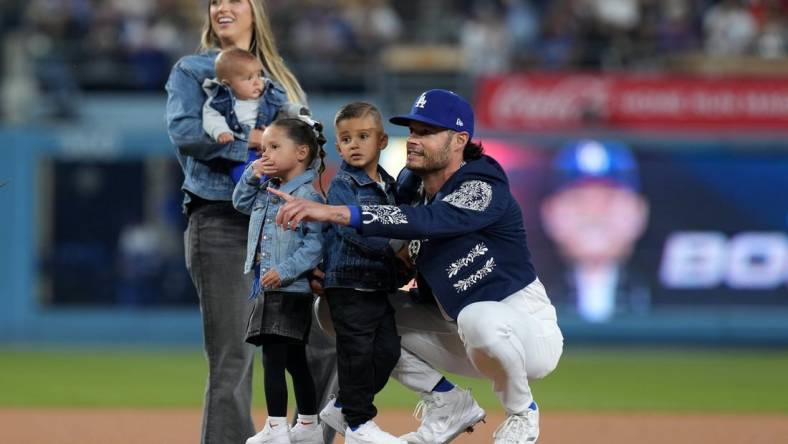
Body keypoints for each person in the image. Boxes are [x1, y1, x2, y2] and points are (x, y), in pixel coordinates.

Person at [270, 89, 564, 444]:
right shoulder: (410, 186)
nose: (412, 140)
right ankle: (445, 399)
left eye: (426, 132)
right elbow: (399, 252)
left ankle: (521, 413)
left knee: (479, 319)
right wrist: (333, 272)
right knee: (337, 308)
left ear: (459, 140)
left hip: (522, 328)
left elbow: (427, 221)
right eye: (411, 131)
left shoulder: (483, 183)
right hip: (453, 327)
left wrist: (334, 212)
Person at [164, 1, 336, 443]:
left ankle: (307, 436)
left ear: (253, 10)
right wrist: (253, 144)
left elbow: (308, 154)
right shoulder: (192, 71)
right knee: (233, 359)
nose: (222, 6)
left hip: (285, 223)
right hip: (220, 219)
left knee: (323, 341)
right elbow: (186, 134)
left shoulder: (281, 82)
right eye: (214, 1)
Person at [233, 117, 328, 444]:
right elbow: (239, 202)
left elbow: (314, 246)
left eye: (274, 147)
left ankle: (276, 427)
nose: (266, 154)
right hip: (271, 287)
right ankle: (308, 424)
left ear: (301, 152)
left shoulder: (308, 197)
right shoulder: (265, 187)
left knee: (272, 356)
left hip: (287, 289)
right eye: (262, 149)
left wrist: (285, 270)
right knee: (293, 359)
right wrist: (251, 173)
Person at [316, 102, 406, 444]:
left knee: (387, 352)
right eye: (346, 139)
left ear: (381, 141)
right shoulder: (343, 185)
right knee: (355, 352)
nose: (354, 144)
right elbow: (355, 231)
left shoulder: (391, 185)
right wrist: (398, 249)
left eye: (363, 136)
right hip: (348, 283)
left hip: (378, 284)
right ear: (338, 147)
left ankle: (342, 407)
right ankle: (358, 423)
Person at [540, 140, 650, 323]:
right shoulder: (525, 297)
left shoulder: (664, 297)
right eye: (578, 199)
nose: (594, 213)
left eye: (609, 198)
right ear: (551, 214)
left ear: (639, 212)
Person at [202, 47, 308, 182]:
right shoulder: (220, 101)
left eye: (259, 75)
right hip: (244, 153)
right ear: (227, 85)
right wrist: (220, 131)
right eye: (249, 78)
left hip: (270, 148)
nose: (257, 82)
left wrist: (298, 113)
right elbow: (211, 116)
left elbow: (283, 107)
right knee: (247, 175)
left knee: (288, 168)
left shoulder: (268, 94)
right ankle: (256, 190)